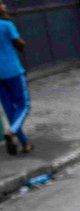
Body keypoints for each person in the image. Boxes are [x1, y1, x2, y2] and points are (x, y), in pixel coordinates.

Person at [0, 2, 30, 155]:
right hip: (13, 72)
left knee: (10, 110)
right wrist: (22, 43)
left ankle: (25, 143)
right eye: (2, 4)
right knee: (24, 105)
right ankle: (11, 131)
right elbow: (20, 45)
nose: (5, 5)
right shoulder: (6, 24)